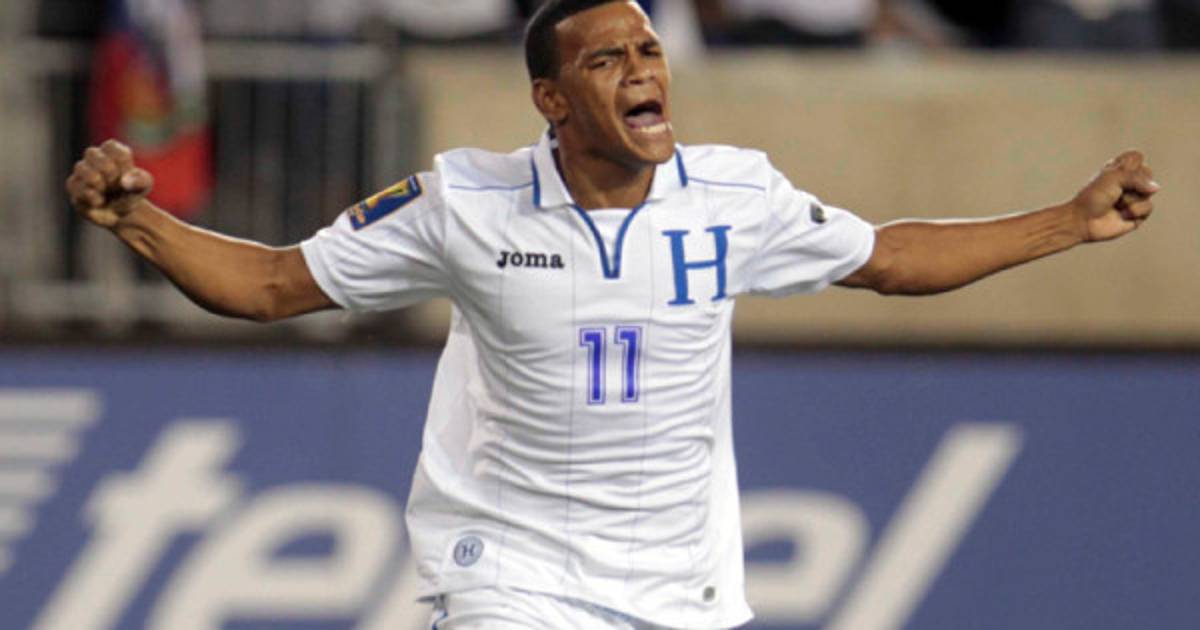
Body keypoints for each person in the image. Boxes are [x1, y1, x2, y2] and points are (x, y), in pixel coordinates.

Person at [66, 1, 1158, 627]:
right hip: (512, 577)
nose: (643, 74)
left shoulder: (734, 195)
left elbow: (891, 257)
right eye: (607, 60)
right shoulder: (464, 202)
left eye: (648, 52)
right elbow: (269, 285)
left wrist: (1068, 222)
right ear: (552, 100)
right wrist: (138, 221)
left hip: (684, 589)